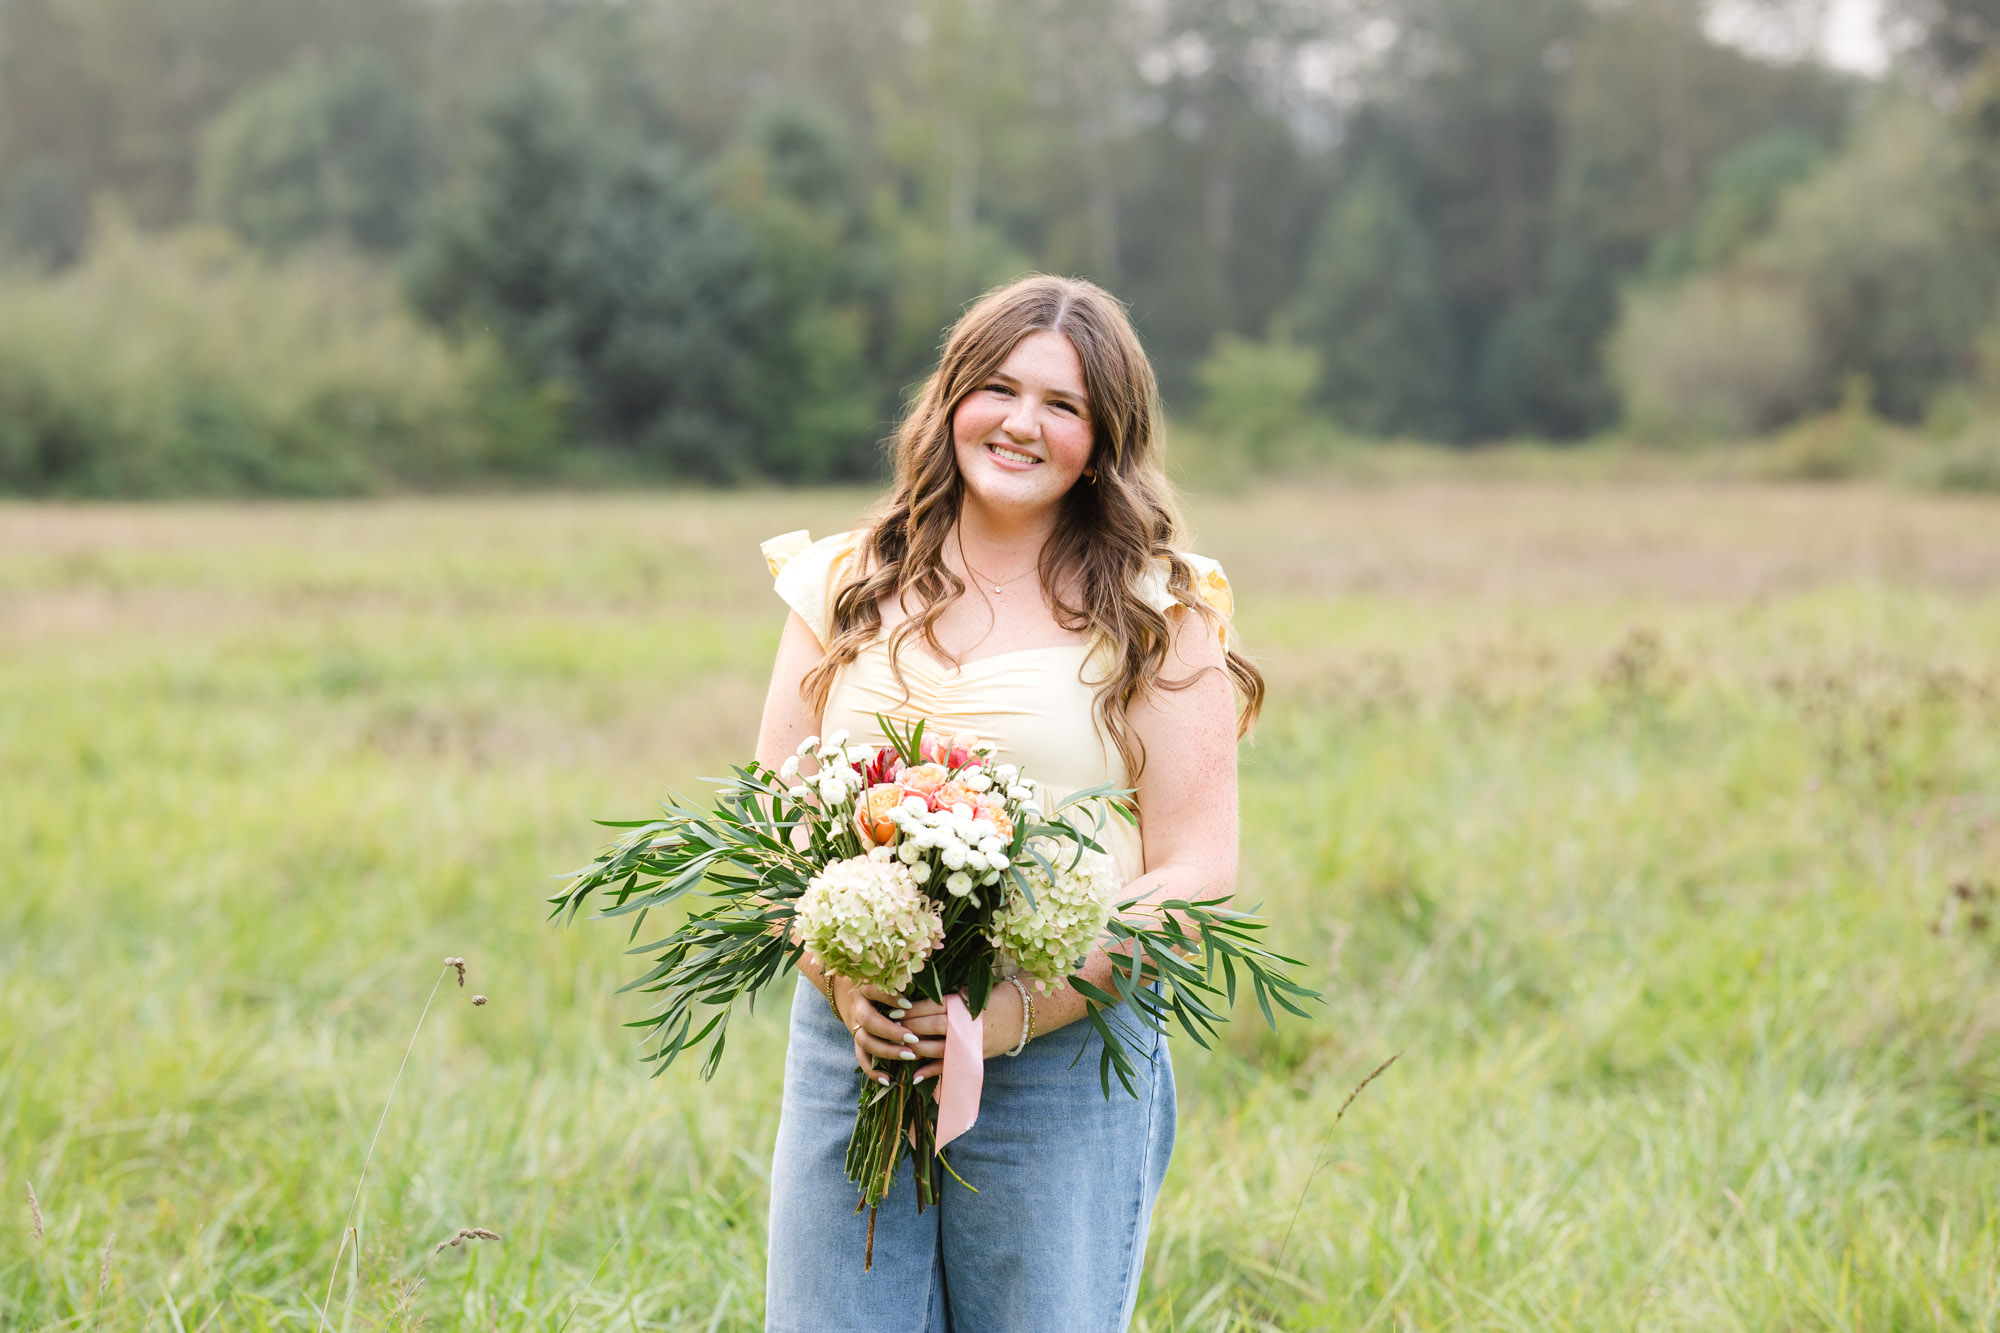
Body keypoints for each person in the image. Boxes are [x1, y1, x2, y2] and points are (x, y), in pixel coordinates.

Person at [754, 273, 1265, 1332]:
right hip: (857, 1043)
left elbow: (1196, 864)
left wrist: (1011, 1011)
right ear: (949, 401)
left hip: (1062, 1056)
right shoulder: (841, 581)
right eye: (996, 388)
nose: (1020, 424)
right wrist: (844, 982)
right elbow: (774, 820)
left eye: (1063, 405)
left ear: (1103, 438)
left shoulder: (1157, 611)